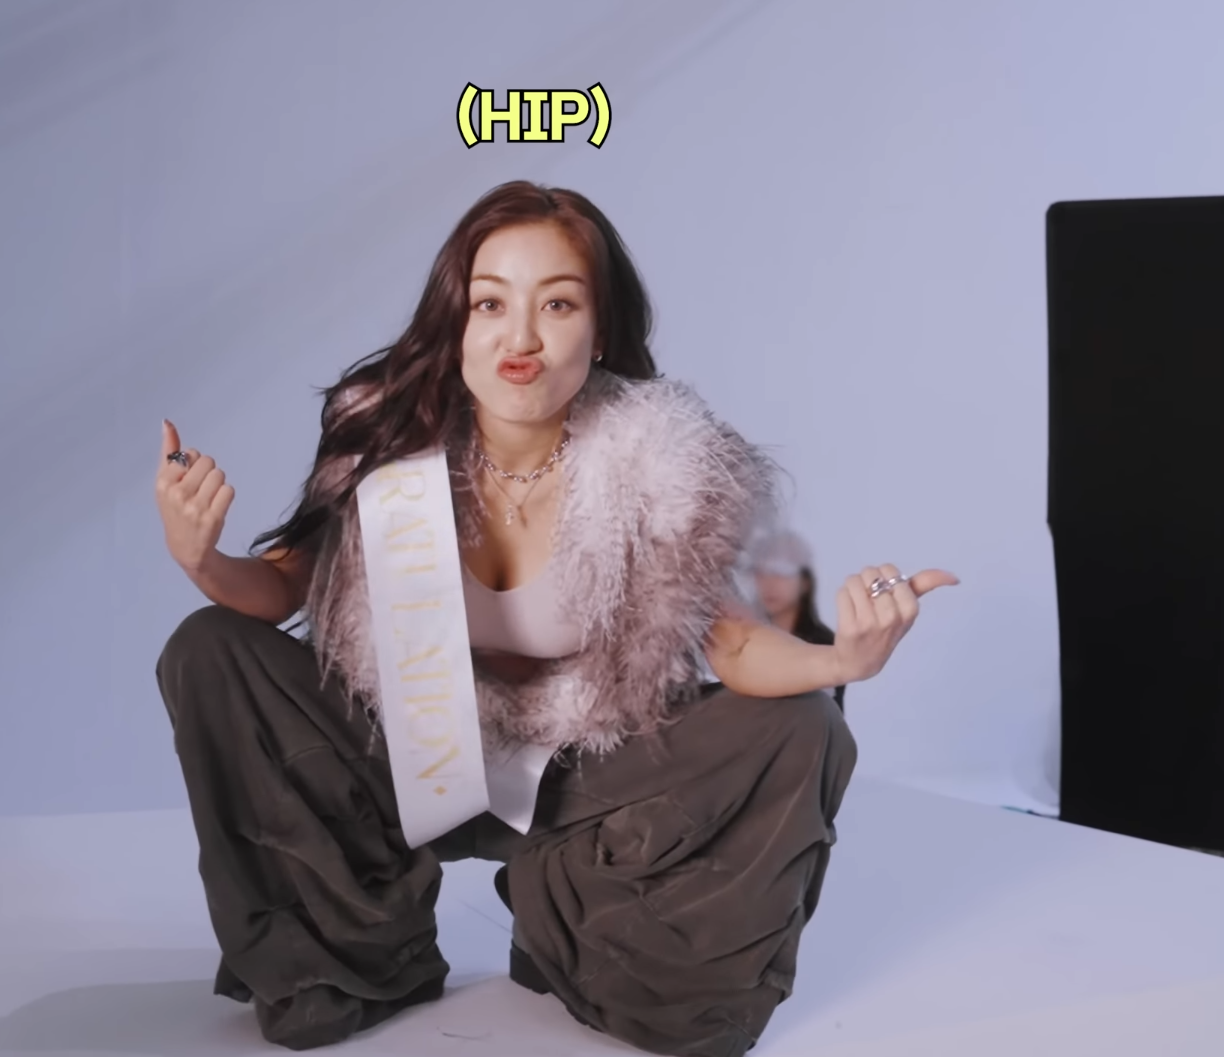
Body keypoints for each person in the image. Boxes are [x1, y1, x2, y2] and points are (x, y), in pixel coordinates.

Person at [153, 179, 958, 1057]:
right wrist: (202, 558)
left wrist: (843, 663)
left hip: (579, 777)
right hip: (399, 753)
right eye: (490, 303)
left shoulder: (655, 455)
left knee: (801, 728)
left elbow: (730, 641)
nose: (521, 337)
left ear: (599, 329)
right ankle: (352, 951)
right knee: (211, 649)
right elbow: (284, 586)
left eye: (558, 304)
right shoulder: (387, 431)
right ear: (455, 320)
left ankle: (567, 917)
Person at [749, 529, 847, 710]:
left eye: (781, 572)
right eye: (760, 573)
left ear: (804, 583)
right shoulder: (745, 638)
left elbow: (829, 715)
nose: (769, 584)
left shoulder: (824, 644)